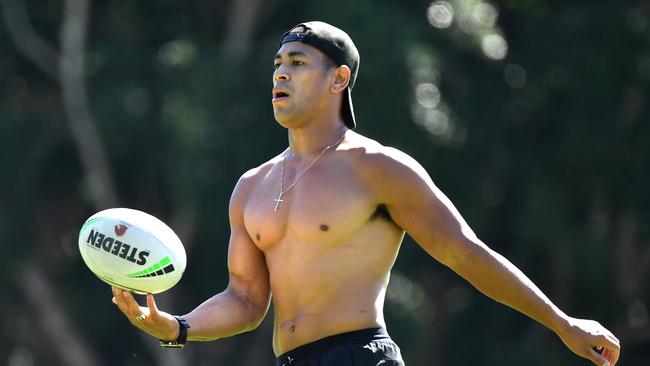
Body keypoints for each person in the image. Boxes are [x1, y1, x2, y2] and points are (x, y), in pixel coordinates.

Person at [112, 21, 620, 366]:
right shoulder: (251, 187)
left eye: (297, 62)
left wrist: (562, 323)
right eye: (277, 64)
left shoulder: (378, 168)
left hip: (360, 356)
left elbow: (463, 252)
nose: (281, 73)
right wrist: (176, 326)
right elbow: (245, 300)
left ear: (339, 79)